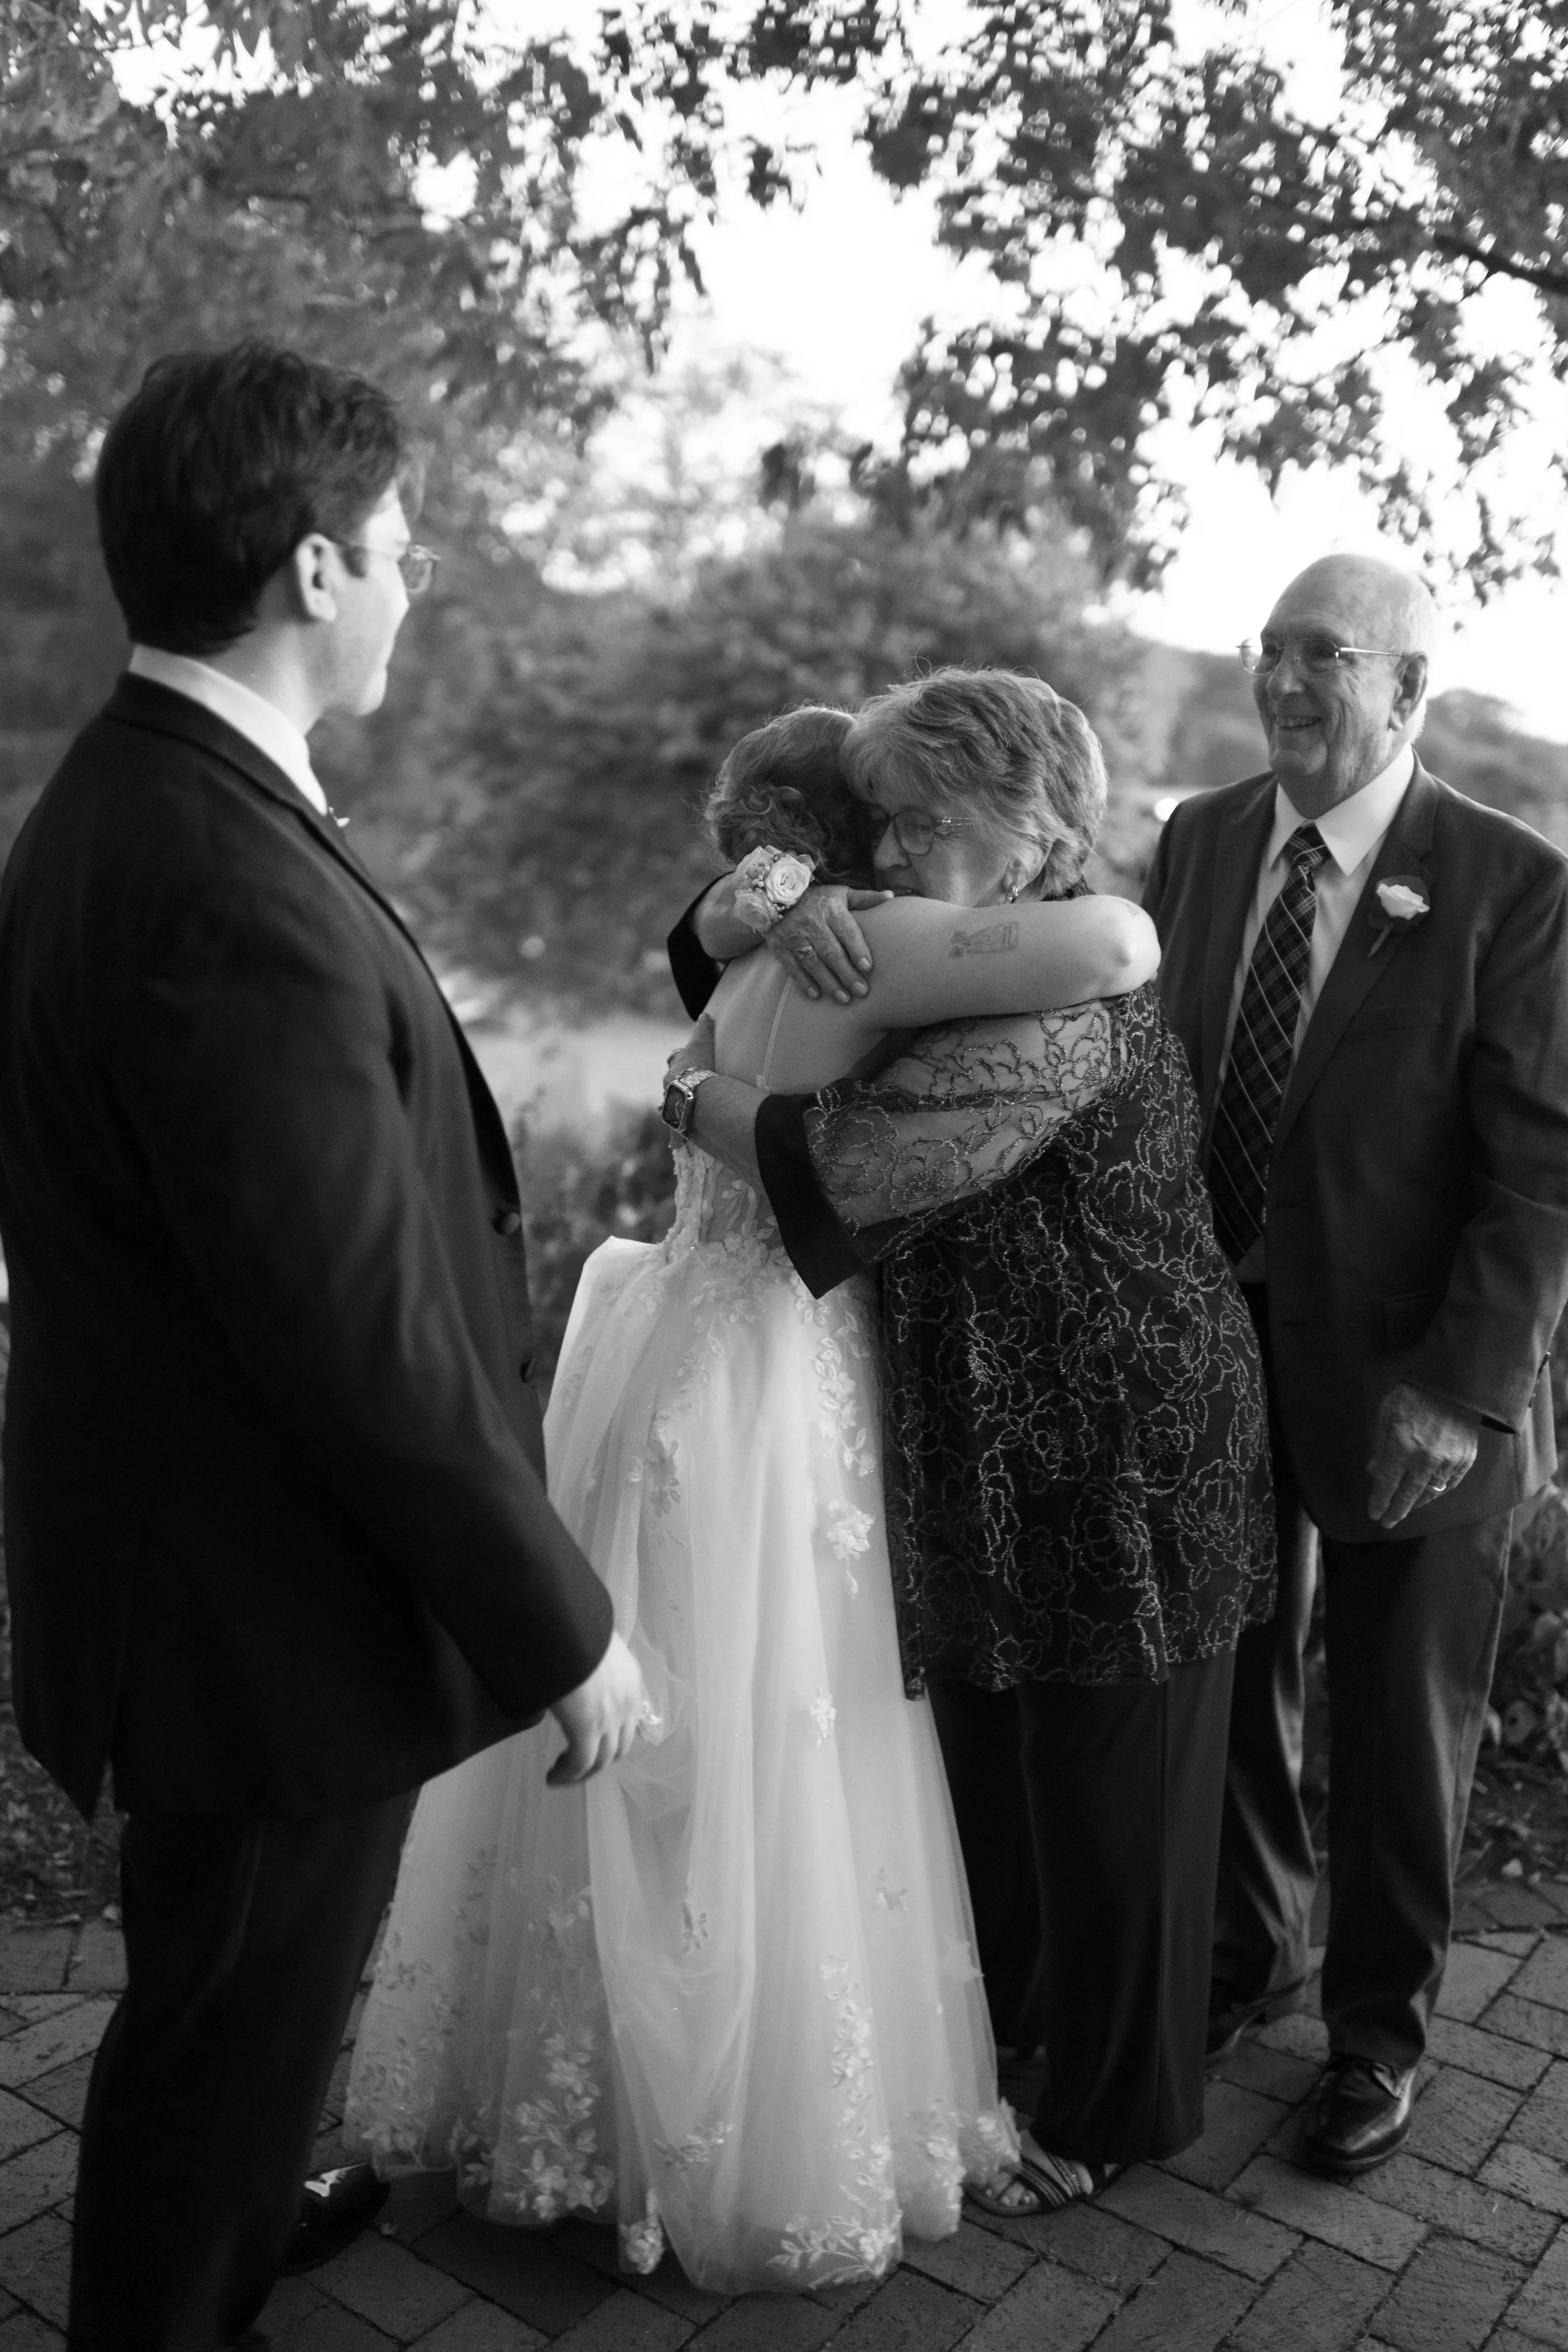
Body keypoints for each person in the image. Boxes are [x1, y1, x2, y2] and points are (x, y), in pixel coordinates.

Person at [0, 342, 645, 2351]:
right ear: (309, 569)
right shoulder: (220, 877)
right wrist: (566, 1624)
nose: (412, 580)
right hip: (255, 1604)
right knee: (224, 2031)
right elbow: (354, 1329)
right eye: (399, 549)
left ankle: (245, 2206)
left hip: (202, 1561)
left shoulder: (140, 796)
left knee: (235, 2011)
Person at [344, 702, 1160, 2288]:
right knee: (781, 1726)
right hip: (771, 1371)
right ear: (860, 834)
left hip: (660, 1336)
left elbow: (714, 1060)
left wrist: (743, 915)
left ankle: (574, 2105)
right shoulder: (884, 937)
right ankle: (728, 2124)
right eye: (894, 814)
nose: (916, 836)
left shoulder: (754, 944)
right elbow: (1111, 948)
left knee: (668, 1722)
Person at [668, 667, 1276, 2217]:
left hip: (1125, 1441)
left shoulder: (1066, 1001)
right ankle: (1026, 2050)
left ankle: (1115, 2110)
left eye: (919, 820)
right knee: (1013, 1775)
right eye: (878, 817)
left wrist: (696, 1105)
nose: (888, 848)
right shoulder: (955, 942)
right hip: (997, 1419)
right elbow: (727, 958)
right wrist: (752, 906)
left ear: (1023, 834)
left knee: (1111, 1796)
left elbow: (859, 1166)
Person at [1142, 553, 1568, 2176]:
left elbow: (1538, 1177)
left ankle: (1376, 2042)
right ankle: (1251, 1952)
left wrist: (1458, 1388)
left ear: (1406, 689)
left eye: (1324, 655)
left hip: (1417, 1385)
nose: (1284, 681)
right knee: (1232, 1673)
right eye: (1271, 650)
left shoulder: (1511, 885)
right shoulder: (1194, 841)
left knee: (1398, 1728)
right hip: (1218, 1344)